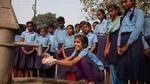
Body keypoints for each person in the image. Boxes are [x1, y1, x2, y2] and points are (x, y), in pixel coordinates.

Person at [117, 0, 145, 84]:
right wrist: (118, 45)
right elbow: (120, 31)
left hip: (134, 42)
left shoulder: (139, 12)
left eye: (125, 1)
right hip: (123, 41)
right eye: (122, 3)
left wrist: (126, 45)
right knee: (127, 72)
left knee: (137, 71)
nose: (123, 4)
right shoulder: (124, 16)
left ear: (132, 1)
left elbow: (137, 29)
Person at [104, 4, 122, 84]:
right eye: (109, 12)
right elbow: (109, 39)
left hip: (120, 47)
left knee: (121, 71)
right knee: (112, 70)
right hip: (112, 49)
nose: (110, 13)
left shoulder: (122, 20)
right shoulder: (110, 24)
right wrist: (106, 49)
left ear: (117, 11)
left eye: (111, 11)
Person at [95, 9, 109, 84]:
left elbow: (108, 35)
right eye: (97, 15)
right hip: (99, 42)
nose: (98, 16)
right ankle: (101, 81)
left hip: (104, 41)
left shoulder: (107, 22)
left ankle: (108, 82)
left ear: (103, 14)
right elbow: (96, 35)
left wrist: (106, 47)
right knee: (100, 64)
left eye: (100, 14)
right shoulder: (97, 25)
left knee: (107, 65)